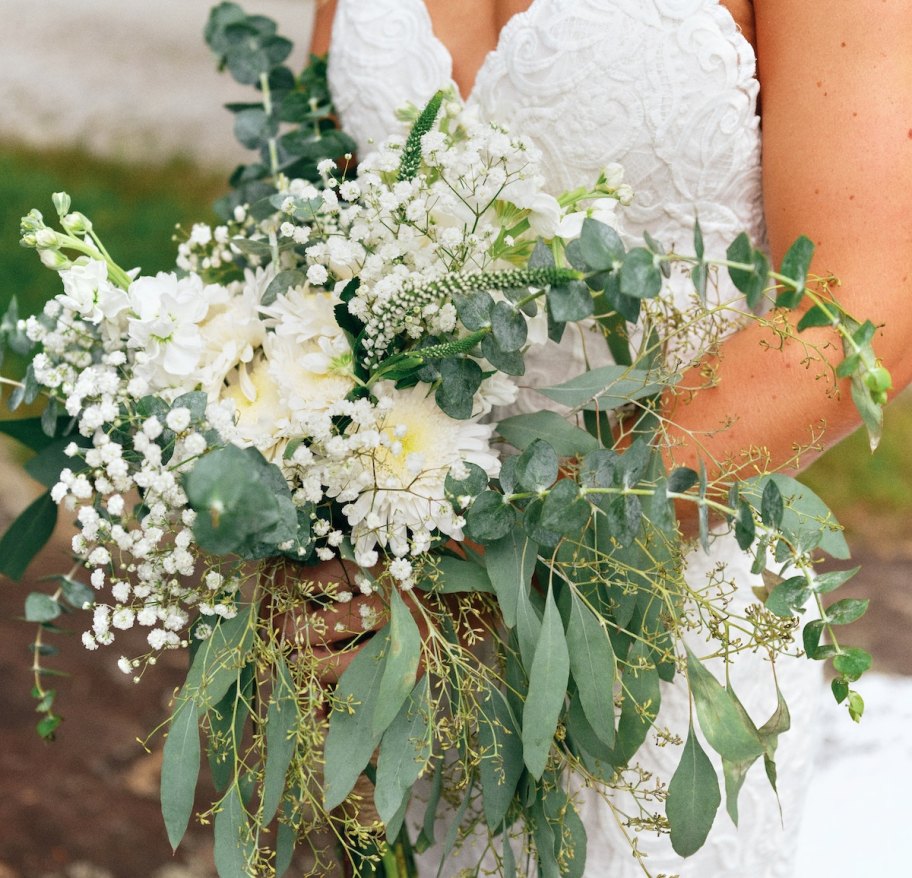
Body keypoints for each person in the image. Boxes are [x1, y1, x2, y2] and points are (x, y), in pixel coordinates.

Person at [294, 1, 912, 875]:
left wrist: (487, 574)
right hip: (384, 631)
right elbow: (311, 195)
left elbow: (857, 308)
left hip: (662, 626)